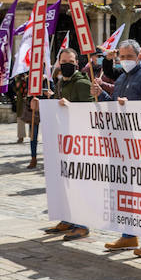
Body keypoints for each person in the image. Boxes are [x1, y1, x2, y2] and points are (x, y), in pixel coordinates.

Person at [97, 41, 141, 255]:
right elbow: (115, 106)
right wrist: (101, 94)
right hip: (122, 143)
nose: (124, 60)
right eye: (122, 56)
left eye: (129, 56)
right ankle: (129, 236)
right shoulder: (121, 78)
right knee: (125, 191)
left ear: (138, 57)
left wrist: (131, 106)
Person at [44, 49, 96, 241]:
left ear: (76, 63)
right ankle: (68, 218)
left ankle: (82, 224)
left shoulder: (82, 83)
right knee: (64, 182)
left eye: (70, 61)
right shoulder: (60, 82)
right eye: (63, 60)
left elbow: (90, 111)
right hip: (64, 140)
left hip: (79, 142)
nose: (66, 64)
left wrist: (71, 107)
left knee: (79, 184)